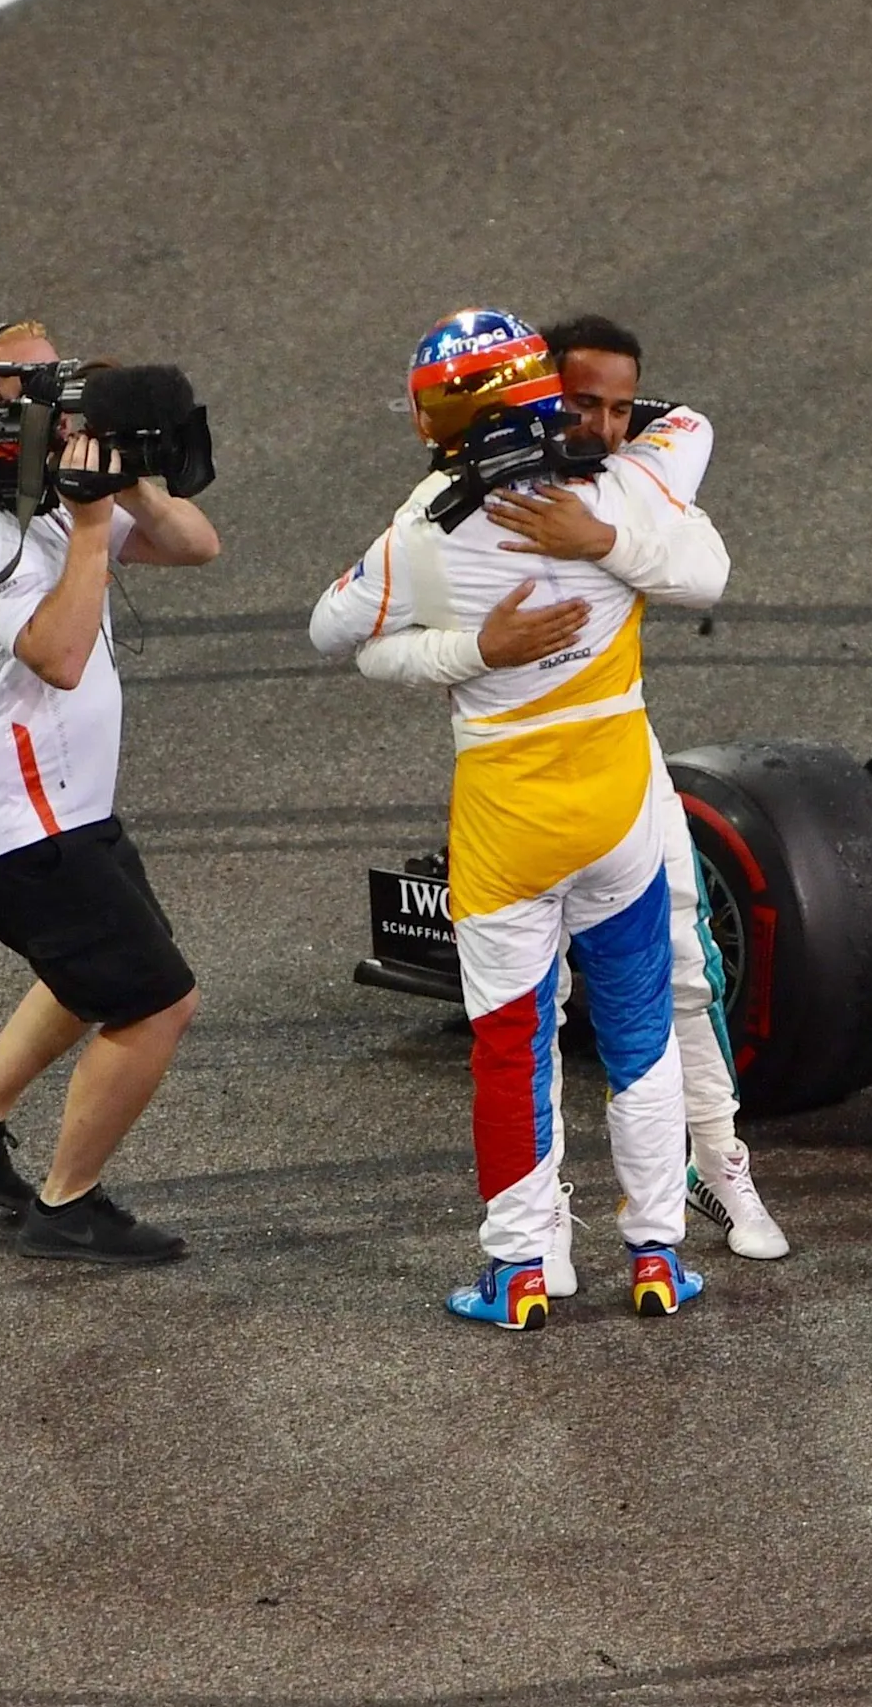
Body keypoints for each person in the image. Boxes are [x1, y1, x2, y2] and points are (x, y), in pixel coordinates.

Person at [309, 309, 728, 1325]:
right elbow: (697, 490)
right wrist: (607, 535)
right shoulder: (628, 486)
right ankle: (657, 1256)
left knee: (510, 1045)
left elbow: (335, 635)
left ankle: (520, 1271)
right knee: (638, 1035)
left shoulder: (423, 529)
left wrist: (471, 652)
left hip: (505, 820)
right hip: (617, 804)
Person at [0, 318, 222, 1264]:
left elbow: (196, 544)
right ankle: (67, 1204)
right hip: (13, 827)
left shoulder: (56, 500)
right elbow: (60, 654)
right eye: (43, 386)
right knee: (156, 1003)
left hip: (61, 809)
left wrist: (124, 488)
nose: (68, 397)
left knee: (91, 971)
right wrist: (90, 530)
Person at [531, 313, 788, 1262]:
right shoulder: (465, 490)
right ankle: (537, 1227)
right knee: (534, 1001)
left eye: (618, 407)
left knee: (683, 966)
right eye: (580, 402)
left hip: (618, 757)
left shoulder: (639, 468)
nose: (601, 423)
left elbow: (705, 571)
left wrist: (596, 535)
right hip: (510, 774)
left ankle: (717, 1165)